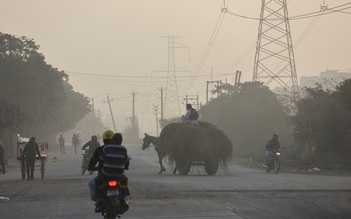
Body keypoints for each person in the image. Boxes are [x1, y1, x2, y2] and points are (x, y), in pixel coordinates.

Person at [88, 130, 130, 213]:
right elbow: (126, 161)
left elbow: (101, 160)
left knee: (96, 182)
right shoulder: (124, 149)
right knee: (124, 182)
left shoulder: (106, 148)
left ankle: (99, 201)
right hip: (119, 175)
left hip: (106, 174)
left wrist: (92, 167)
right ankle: (124, 200)